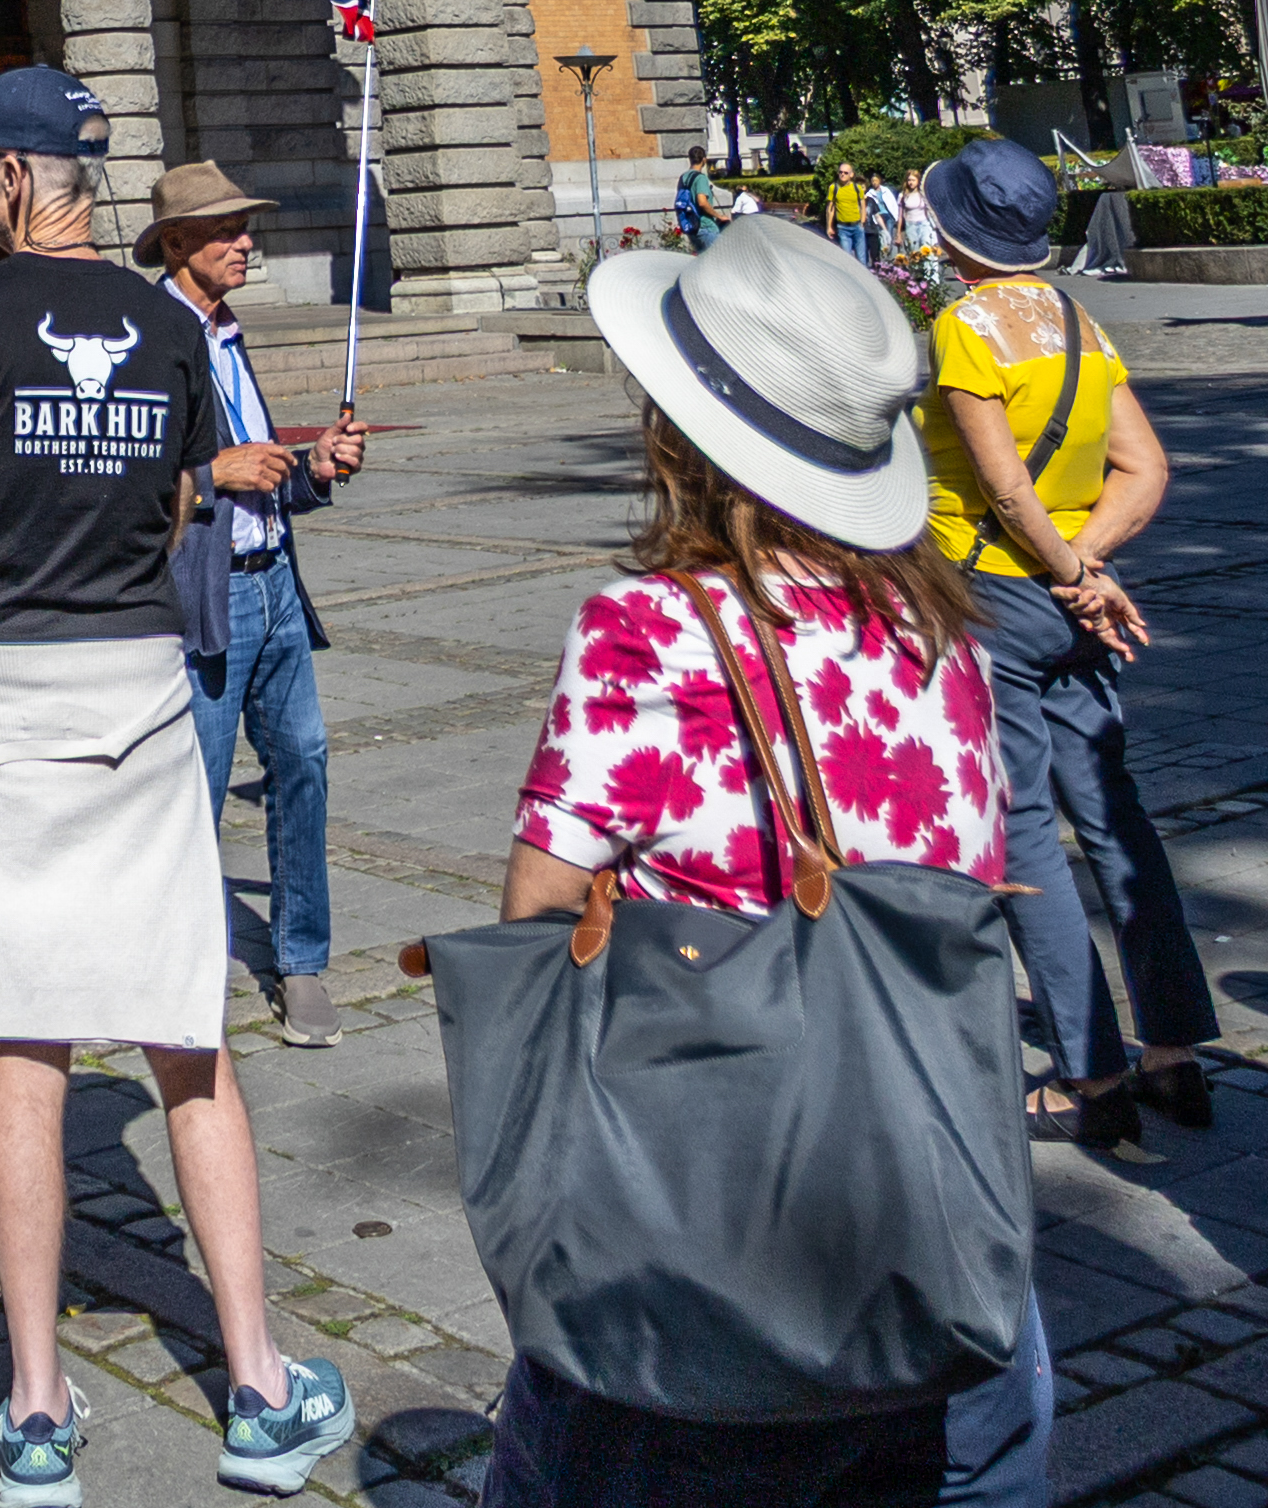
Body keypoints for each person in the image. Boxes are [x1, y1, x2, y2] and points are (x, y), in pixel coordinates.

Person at [493, 216, 1046, 1508]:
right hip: (942, 1244)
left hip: (716, 1265)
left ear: (683, 436)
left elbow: (532, 926)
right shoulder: (941, 633)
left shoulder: (653, 637)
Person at [0, 65, 353, 1503]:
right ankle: (260, 1390)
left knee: (21, 1054)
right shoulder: (165, 324)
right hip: (140, 688)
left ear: (18, 178)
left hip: (6, 691)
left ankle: (35, 1414)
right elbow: (177, 497)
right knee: (185, 1041)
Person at [911, 136, 1214, 1150]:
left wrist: (1065, 571)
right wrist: (1086, 566)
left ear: (952, 231)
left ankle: (1090, 1072)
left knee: (1027, 828)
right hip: (1069, 599)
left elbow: (999, 485)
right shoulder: (1077, 323)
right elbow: (1147, 468)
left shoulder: (964, 326)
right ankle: (1174, 1051)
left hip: (993, 593)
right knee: (1116, 814)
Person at [148, 158, 372, 1045]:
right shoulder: (149, 336)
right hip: (207, 601)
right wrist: (211, 474)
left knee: (304, 769)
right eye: (226, 231)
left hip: (276, 582)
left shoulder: (231, 331)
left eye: (249, 228)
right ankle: (175, 971)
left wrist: (310, 467)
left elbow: (262, 477)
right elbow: (129, 479)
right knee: (192, 794)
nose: (247, 244)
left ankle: (302, 962)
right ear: (176, 244)